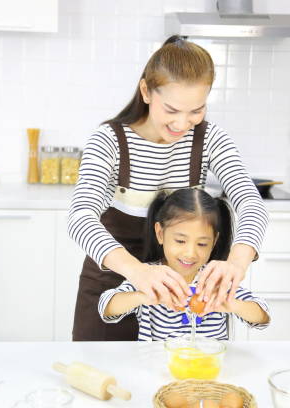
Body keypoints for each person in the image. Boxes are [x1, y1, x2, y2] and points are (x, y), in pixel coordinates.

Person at [68, 35, 268, 341]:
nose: (183, 124)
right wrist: (138, 273)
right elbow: (80, 218)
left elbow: (250, 203)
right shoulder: (109, 140)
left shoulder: (210, 139)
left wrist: (236, 263)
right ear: (146, 91)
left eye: (196, 111)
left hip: (183, 286)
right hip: (116, 279)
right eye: (172, 110)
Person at [98, 188, 270, 340]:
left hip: (208, 370)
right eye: (180, 241)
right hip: (158, 367)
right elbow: (106, 307)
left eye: (202, 244)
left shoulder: (215, 278)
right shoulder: (150, 276)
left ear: (214, 240)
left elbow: (262, 317)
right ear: (160, 233)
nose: (190, 253)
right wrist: (143, 296)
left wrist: (232, 304)